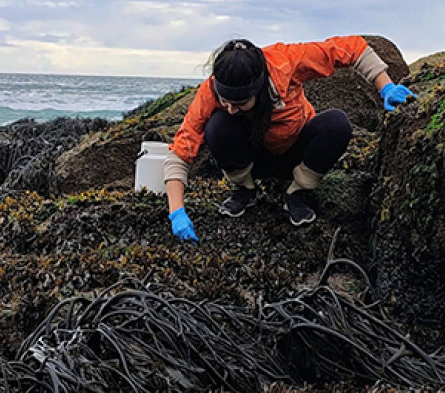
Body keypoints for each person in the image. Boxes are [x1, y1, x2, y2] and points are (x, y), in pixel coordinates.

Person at [165, 36, 415, 242]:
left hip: (295, 152)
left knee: (337, 123)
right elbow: (181, 149)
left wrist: (386, 87)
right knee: (218, 126)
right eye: (224, 101)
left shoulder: (287, 62)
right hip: (253, 158)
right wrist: (176, 212)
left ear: (258, 87)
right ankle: (245, 188)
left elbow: (352, 48)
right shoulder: (210, 91)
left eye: (240, 103)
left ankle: (297, 191)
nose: (230, 108)